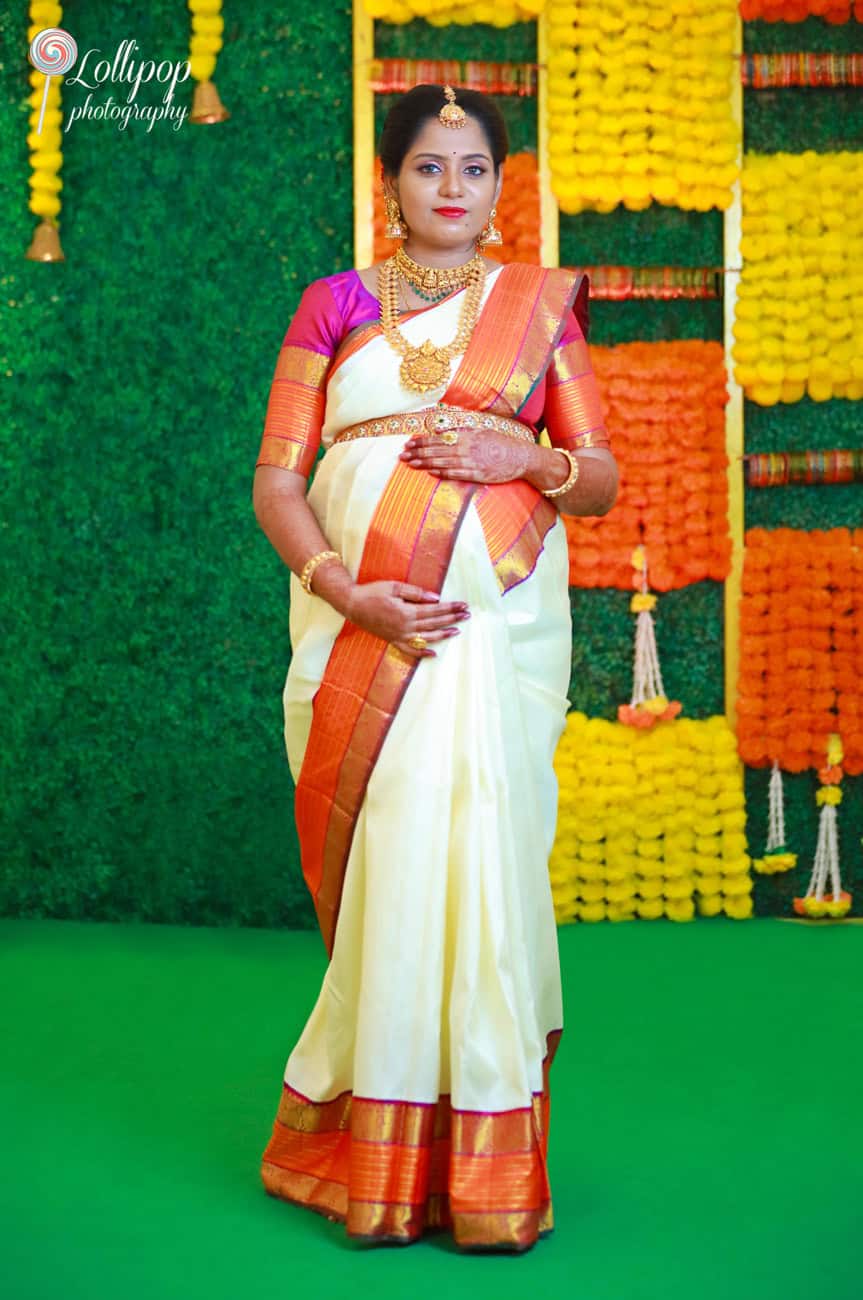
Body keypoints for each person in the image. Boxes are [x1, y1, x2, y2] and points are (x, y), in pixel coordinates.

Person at [253, 83, 618, 1254]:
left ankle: (480, 1167)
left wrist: (529, 453)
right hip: (362, 629)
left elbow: (596, 474)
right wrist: (345, 590)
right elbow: (276, 481)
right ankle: (378, 1151)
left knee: (471, 845)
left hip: (494, 634)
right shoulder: (336, 304)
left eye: (471, 168)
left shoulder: (537, 311)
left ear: (499, 187)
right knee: (392, 856)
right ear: (390, 181)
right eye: (426, 167)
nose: (450, 187)